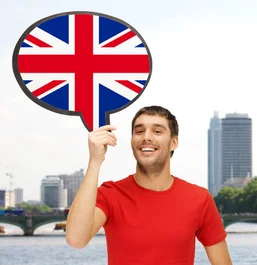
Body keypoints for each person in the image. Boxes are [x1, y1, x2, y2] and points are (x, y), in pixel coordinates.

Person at [65, 105, 232, 265]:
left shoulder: (199, 199)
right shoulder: (110, 194)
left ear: (173, 142)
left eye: (157, 131)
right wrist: (95, 160)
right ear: (132, 141)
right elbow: (76, 239)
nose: (146, 137)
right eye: (139, 131)